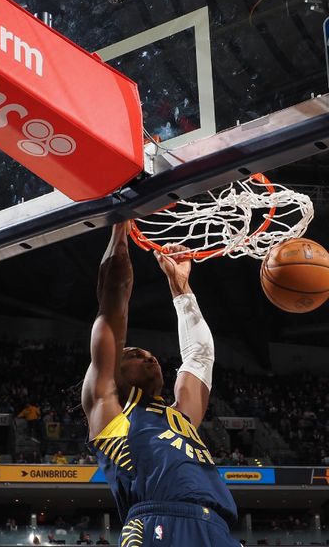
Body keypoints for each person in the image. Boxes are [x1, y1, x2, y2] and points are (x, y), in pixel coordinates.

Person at [81, 223, 238, 546]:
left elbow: (200, 356)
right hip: (157, 523)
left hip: (217, 529)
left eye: (150, 354)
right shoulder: (111, 412)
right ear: (112, 369)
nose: (149, 358)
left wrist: (181, 288)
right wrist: (120, 227)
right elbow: (113, 302)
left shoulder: (181, 417)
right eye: (136, 355)